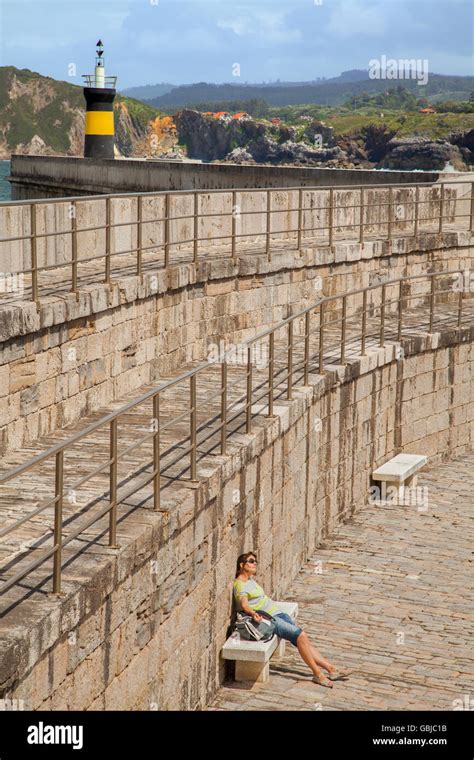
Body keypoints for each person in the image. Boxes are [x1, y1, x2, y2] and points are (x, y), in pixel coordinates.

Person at [233, 551, 353, 687]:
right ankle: (318, 674)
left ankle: (331, 669)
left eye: (255, 561)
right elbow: (244, 604)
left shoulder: (250, 580)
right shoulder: (240, 584)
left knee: (303, 641)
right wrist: (252, 613)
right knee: (301, 636)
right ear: (242, 565)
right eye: (251, 561)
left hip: (278, 613)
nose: (255, 563)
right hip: (270, 620)